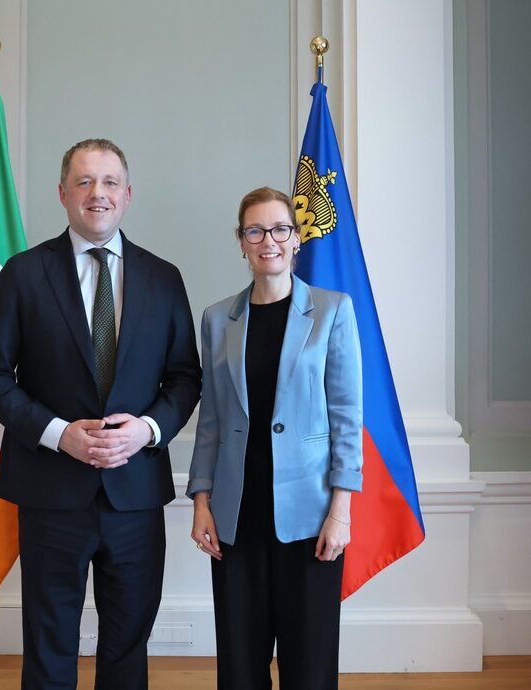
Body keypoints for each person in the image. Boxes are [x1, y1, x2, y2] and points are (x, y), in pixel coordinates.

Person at [0, 138, 201, 690]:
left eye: (110, 182)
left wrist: (146, 430)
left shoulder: (163, 277)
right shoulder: (24, 273)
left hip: (134, 494)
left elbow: (185, 378)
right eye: (84, 181)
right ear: (63, 193)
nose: (98, 193)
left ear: (128, 194)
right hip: (50, 492)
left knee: (127, 645)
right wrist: (58, 434)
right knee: (49, 644)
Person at [187, 186, 362, 690]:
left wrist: (341, 511)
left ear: (297, 237)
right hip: (236, 515)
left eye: (280, 229)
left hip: (310, 516)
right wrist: (201, 502)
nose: (269, 241)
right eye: (256, 231)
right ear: (241, 241)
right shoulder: (217, 319)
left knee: (309, 666)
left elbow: (347, 416)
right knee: (240, 666)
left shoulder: (332, 311)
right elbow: (211, 418)